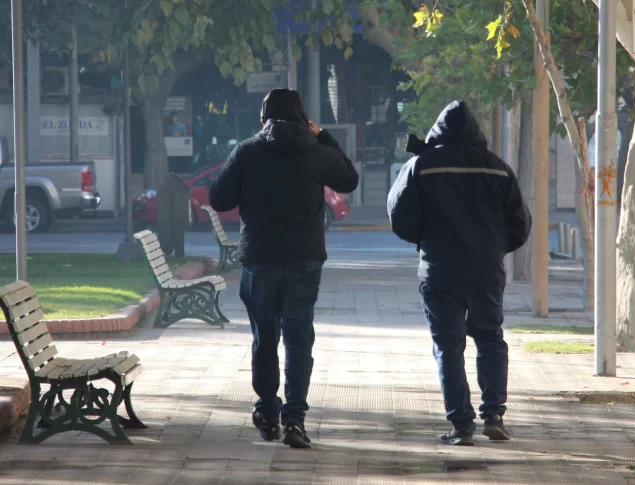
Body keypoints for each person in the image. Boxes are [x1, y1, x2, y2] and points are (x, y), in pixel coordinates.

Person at [208, 89, 359, 449]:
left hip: (260, 258)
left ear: (263, 120)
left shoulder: (247, 151)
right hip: (305, 260)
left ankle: (267, 411)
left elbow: (218, 199)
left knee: (265, 338)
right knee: (298, 339)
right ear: (303, 120)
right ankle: (295, 419)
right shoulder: (316, 151)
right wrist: (323, 136)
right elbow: (349, 180)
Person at [387, 99, 531, 446]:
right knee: (490, 339)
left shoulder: (421, 165)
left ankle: (461, 425)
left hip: (440, 269)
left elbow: (398, 214)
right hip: (485, 270)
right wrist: (493, 248)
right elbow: (520, 224)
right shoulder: (497, 168)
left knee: (448, 346)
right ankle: (494, 415)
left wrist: (424, 239)